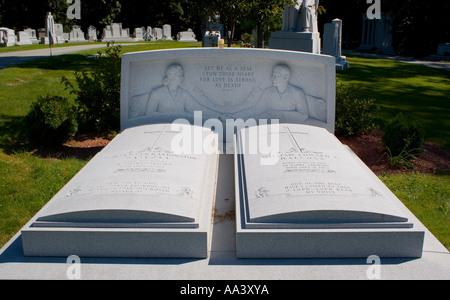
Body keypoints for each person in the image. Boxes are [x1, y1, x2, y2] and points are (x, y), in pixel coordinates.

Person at [235, 64, 309, 123]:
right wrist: (234, 116)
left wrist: (278, 114)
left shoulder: (297, 93)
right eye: (273, 75)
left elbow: (304, 115)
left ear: (286, 77)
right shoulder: (268, 92)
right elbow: (256, 109)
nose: (272, 78)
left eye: (276, 76)